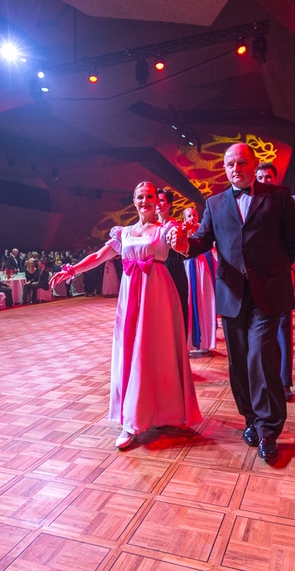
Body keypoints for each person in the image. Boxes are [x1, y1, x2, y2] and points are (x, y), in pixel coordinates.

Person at [171, 143, 295, 461]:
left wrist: (276, 267)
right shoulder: (214, 203)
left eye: (242, 162)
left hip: (268, 291)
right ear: (225, 168)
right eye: (230, 164)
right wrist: (183, 245)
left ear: (254, 164)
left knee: (260, 355)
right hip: (231, 292)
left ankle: (268, 429)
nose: (236, 168)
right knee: (239, 361)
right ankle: (250, 419)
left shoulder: (278, 197)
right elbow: (203, 240)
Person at [51, 181, 202, 449]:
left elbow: (180, 247)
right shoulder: (123, 233)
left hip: (159, 295)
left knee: (160, 351)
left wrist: (179, 238)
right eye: (140, 196)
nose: (145, 201)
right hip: (131, 295)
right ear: (134, 201)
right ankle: (131, 421)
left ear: (157, 200)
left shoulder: (166, 229)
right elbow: (99, 256)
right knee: (133, 353)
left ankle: (167, 413)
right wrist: (71, 270)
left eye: (149, 196)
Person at [256, 161, 295, 402]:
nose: (265, 181)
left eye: (268, 177)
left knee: (283, 329)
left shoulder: (287, 202)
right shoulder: (247, 204)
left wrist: (282, 263)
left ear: (276, 179)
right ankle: (262, 380)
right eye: (260, 177)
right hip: (254, 279)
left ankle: (283, 382)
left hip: (279, 276)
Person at [182, 207, 216, 353]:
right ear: (184, 218)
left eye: (194, 215)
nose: (192, 218)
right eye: (189, 215)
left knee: (203, 298)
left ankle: (204, 340)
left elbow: (212, 248)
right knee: (188, 299)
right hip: (187, 265)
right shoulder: (182, 229)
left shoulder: (202, 229)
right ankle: (188, 341)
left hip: (201, 265)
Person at [157, 187, 189, 334]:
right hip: (156, 270)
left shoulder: (176, 225)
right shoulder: (150, 226)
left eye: (161, 200)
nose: (158, 204)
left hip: (174, 268)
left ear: (169, 204)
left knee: (177, 308)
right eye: (156, 200)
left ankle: (179, 342)